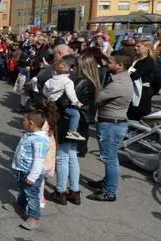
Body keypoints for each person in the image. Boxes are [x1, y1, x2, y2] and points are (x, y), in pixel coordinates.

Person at [50, 54, 99, 206]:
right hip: (81, 123)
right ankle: (75, 191)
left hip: (69, 122)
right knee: (72, 157)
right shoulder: (93, 82)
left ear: (82, 66)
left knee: (64, 157)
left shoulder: (81, 82)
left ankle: (60, 191)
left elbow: (64, 101)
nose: (73, 68)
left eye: (75, 66)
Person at [89, 54, 134, 202]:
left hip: (111, 124)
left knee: (110, 159)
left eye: (110, 62)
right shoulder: (120, 79)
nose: (107, 64)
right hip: (113, 123)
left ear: (120, 65)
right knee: (110, 157)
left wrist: (94, 81)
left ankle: (109, 192)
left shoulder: (118, 84)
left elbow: (97, 99)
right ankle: (107, 183)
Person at [9, 106, 51, 231]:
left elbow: (39, 160)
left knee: (31, 195)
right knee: (22, 190)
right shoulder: (30, 134)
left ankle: (34, 217)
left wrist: (32, 176)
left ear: (31, 123)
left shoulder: (39, 140)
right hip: (23, 170)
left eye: (24, 121)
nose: (22, 123)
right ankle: (20, 206)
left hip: (30, 173)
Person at [42, 60, 85, 141]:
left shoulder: (49, 81)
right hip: (61, 104)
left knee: (50, 119)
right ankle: (72, 131)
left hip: (50, 103)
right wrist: (76, 102)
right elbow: (70, 93)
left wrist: (49, 97)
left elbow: (44, 91)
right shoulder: (68, 81)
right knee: (75, 114)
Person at [127, 39, 160, 121]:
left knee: (139, 115)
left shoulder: (149, 61)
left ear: (147, 48)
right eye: (135, 46)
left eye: (138, 46)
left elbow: (135, 75)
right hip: (133, 90)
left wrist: (152, 91)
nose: (135, 48)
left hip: (143, 92)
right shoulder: (136, 60)